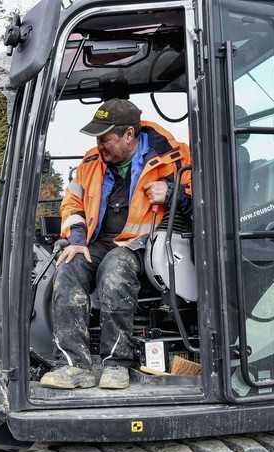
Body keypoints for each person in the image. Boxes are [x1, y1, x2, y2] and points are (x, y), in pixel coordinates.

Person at [41, 98, 191, 391]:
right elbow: (72, 205)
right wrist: (76, 240)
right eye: (97, 138)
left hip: (146, 248)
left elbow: (203, 201)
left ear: (129, 135)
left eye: (105, 138)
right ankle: (75, 366)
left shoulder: (174, 158)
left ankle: (116, 364)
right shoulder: (89, 164)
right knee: (69, 266)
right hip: (98, 244)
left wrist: (173, 193)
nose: (100, 145)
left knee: (116, 266)